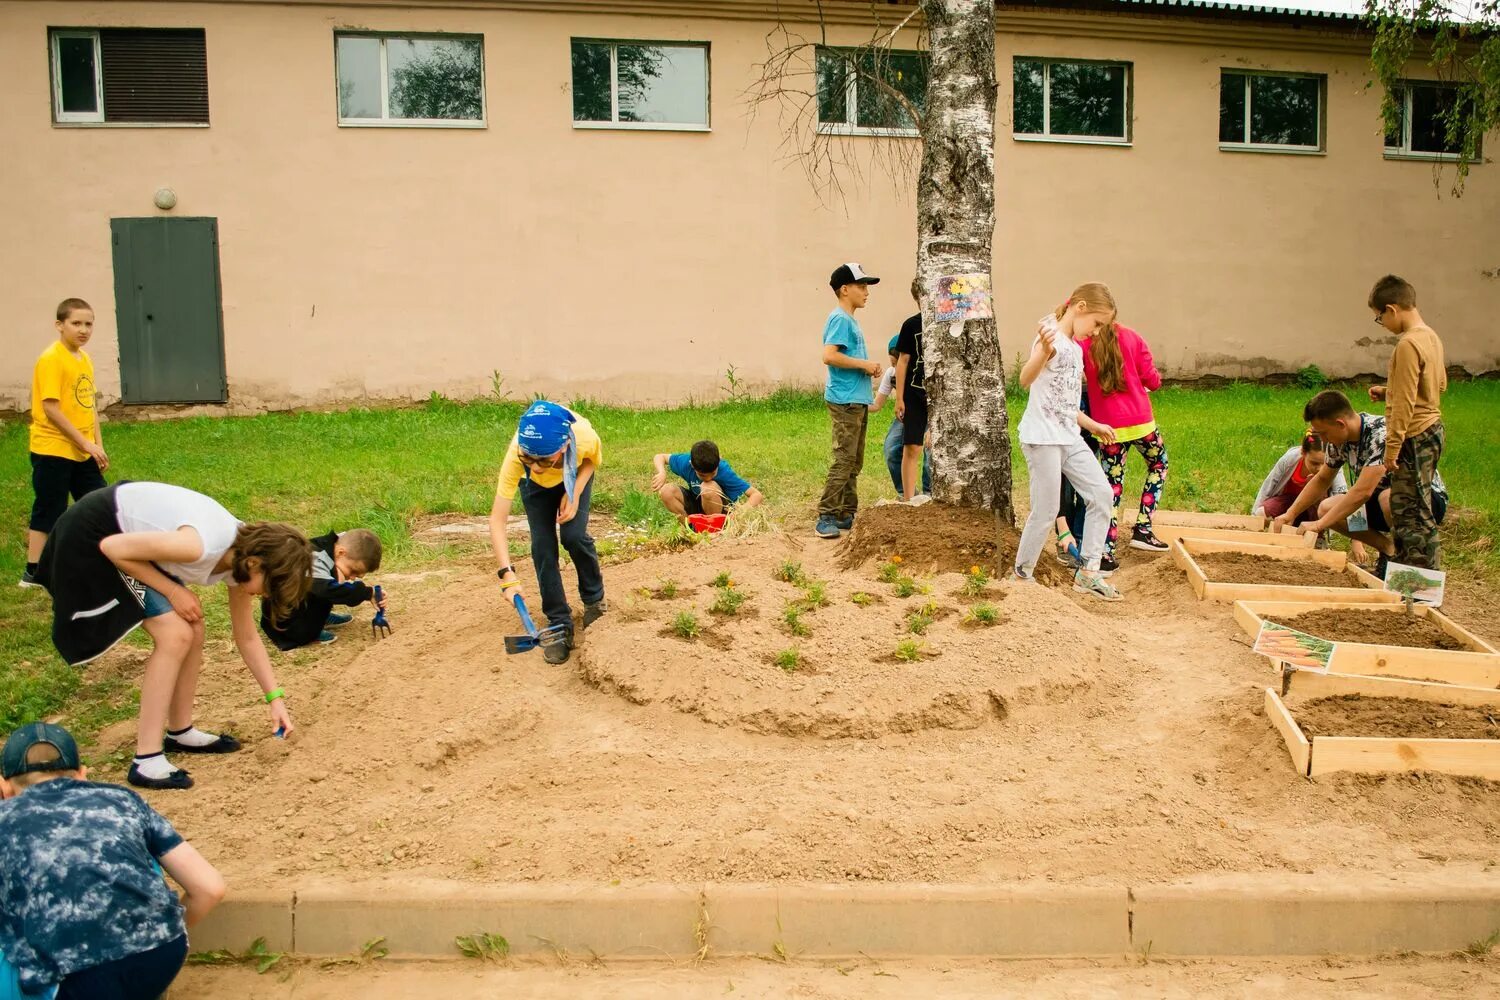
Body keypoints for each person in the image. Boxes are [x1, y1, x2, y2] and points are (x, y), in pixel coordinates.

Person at [35, 482, 312, 790]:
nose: (266, 594)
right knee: (175, 634)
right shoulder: (200, 545)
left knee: (193, 626)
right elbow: (113, 548)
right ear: (254, 563)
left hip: (123, 542)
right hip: (91, 537)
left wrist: (275, 699)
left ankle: (180, 731)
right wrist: (172, 589)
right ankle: (147, 760)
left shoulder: (241, 558)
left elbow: (246, 637)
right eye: (270, 586)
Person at [0, 722, 226, 1000]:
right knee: (139, 857)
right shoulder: (122, 800)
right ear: (82, 776)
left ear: (4, 787)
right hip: (159, 958)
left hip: (74, 978)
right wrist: (150, 933)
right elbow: (210, 888)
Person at [1012, 283, 1123, 601]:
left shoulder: (1075, 348)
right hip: (1042, 439)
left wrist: (1094, 424)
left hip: (1068, 436)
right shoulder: (1049, 335)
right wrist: (1044, 352)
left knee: (1102, 494)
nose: (1097, 332)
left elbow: (1065, 404)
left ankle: (1088, 572)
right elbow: (1024, 379)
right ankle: (1021, 575)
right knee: (1046, 509)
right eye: (1097, 323)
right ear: (1081, 307)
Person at [1273, 390, 1448, 574]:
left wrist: (1319, 525)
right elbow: (1323, 478)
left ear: (1341, 424)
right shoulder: (1338, 442)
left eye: (1324, 433)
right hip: (1382, 502)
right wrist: (1290, 513)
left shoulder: (1380, 435)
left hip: (1424, 501)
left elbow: (1362, 492)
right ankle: (1389, 551)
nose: (1322, 440)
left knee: (1388, 497)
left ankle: (1406, 562)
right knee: (1327, 508)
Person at [489, 400, 606, 666]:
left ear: (565, 445)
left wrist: (573, 494)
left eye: (543, 460)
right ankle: (559, 622)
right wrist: (507, 575)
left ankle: (594, 599)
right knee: (542, 546)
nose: (537, 466)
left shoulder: (584, 436)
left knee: (573, 536)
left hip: (572, 475)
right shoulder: (517, 454)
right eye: (528, 459)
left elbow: (590, 463)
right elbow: (497, 520)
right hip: (534, 489)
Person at [21, 299, 108, 589]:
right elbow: (51, 409)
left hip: (83, 450)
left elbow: (88, 405)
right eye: (76, 323)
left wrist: (97, 444)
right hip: (53, 449)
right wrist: (86, 442)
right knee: (50, 507)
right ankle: (33, 572)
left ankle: (100, 559)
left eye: (88, 324)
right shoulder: (51, 359)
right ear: (60, 325)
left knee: (98, 503)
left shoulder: (84, 359)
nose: (83, 330)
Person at [1367, 274, 1448, 569]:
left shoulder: (1407, 345)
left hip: (1413, 435)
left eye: (1379, 318)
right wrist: (1388, 390)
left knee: (1410, 514)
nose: (1383, 325)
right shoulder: (1431, 337)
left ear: (1392, 309)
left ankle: (1422, 585)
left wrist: (1392, 449)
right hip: (1432, 429)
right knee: (1414, 508)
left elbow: (1404, 405)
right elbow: (1436, 386)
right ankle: (1410, 582)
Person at [1080, 311, 1168, 571]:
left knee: (1112, 487)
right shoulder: (1132, 338)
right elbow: (1152, 379)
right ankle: (1143, 528)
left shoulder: (1084, 344)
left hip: (1108, 428)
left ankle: (1106, 552)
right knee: (1158, 465)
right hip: (1141, 422)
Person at [815, 263, 884, 539]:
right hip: (844, 400)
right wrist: (864, 365)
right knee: (844, 458)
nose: (867, 292)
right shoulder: (840, 319)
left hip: (855, 399)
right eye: (861, 286)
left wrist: (866, 367)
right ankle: (827, 514)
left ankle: (846, 512)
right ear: (845, 289)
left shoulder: (849, 319)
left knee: (854, 460)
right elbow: (829, 356)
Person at [259, 528, 386, 649]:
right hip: (283, 626)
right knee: (329, 586)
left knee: (330, 579)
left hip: (292, 608)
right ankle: (309, 632)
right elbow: (330, 590)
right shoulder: (315, 560)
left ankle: (322, 619)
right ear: (341, 552)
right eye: (353, 571)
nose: (353, 578)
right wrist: (367, 593)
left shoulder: (332, 546)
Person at [1254, 432, 1367, 562]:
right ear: (1303, 453)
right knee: (1262, 512)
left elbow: (1349, 500)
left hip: (1315, 511)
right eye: (1314, 463)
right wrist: (1254, 522)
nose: (1319, 469)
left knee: (1324, 498)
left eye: (1323, 464)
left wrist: (1357, 541)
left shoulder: (1334, 465)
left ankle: (1317, 537)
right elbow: (1267, 487)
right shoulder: (1290, 460)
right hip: (1287, 506)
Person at [873, 336, 930, 496]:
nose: (895, 368)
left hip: (931, 416)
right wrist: (856, 403)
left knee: (930, 452)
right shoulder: (891, 375)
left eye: (898, 363)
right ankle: (906, 492)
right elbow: (877, 404)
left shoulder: (923, 375)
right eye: (892, 364)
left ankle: (930, 494)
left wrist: (932, 429)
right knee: (891, 449)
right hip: (907, 415)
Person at [651, 440, 763, 523]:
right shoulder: (685, 462)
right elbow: (660, 456)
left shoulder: (724, 471)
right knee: (666, 491)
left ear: (719, 460)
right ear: (692, 465)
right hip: (698, 504)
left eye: (713, 474)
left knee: (707, 486)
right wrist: (662, 472)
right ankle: (690, 528)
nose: (709, 478)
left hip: (721, 512)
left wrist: (738, 513)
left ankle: (714, 529)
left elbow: (756, 495)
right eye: (702, 475)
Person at [893, 279, 930, 500]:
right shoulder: (910, 325)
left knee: (936, 446)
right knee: (912, 446)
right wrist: (899, 398)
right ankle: (908, 498)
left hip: (940, 395)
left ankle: (933, 492)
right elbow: (903, 361)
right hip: (914, 393)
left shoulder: (948, 324)